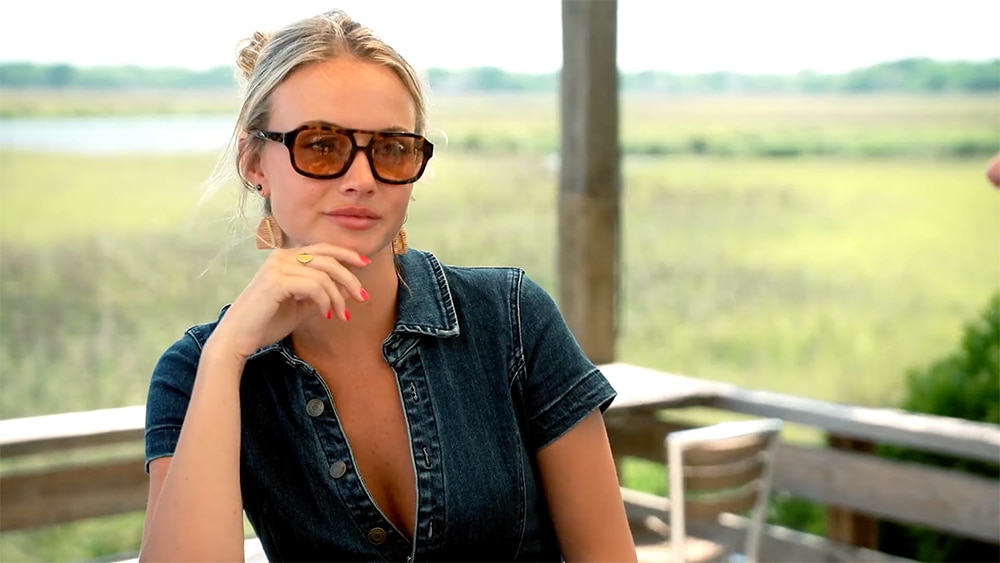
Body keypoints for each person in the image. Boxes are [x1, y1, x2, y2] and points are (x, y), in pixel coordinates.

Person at [140, 9, 636, 562]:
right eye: (321, 145)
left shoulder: (512, 322)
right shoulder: (196, 372)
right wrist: (228, 354)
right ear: (255, 162)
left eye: (391, 149)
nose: (361, 180)